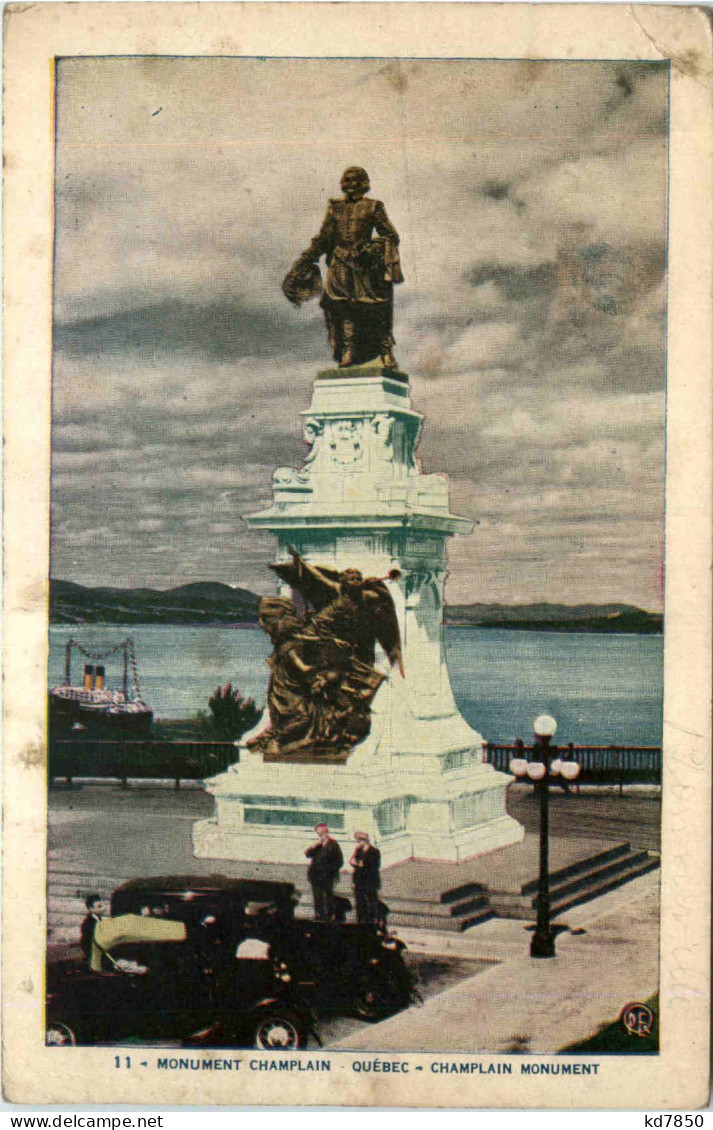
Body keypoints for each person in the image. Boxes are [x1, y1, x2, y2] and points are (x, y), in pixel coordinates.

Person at [284, 167, 403, 370]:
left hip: (364, 266)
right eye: (347, 180)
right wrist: (304, 259)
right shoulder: (335, 208)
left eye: (356, 180)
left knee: (375, 308)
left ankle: (385, 350)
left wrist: (371, 248)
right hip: (340, 264)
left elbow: (391, 236)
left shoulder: (374, 207)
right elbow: (323, 238)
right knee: (342, 307)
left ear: (364, 184)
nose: (350, 184)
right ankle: (348, 350)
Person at [305, 824, 343, 921]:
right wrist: (315, 845)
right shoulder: (318, 845)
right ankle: (319, 914)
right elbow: (307, 854)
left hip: (327, 875)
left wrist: (330, 870)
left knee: (328, 895)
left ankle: (329, 915)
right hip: (315, 874)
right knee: (317, 895)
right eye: (318, 834)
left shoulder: (333, 844)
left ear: (325, 832)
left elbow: (339, 861)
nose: (320, 836)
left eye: (321, 834)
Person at [349, 832, 381, 924]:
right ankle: (361, 920)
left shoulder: (374, 851)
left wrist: (360, 864)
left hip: (370, 881)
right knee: (359, 902)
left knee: (371, 901)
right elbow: (354, 862)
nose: (358, 843)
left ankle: (372, 920)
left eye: (359, 841)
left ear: (364, 841)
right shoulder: (359, 850)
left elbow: (375, 866)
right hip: (359, 881)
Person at [80, 893, 105, 963]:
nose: (103, 908)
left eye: (102, 906)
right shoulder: (88, 924)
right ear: (91, 909)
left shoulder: (99, 920)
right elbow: (87, 944)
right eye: (99, 906)